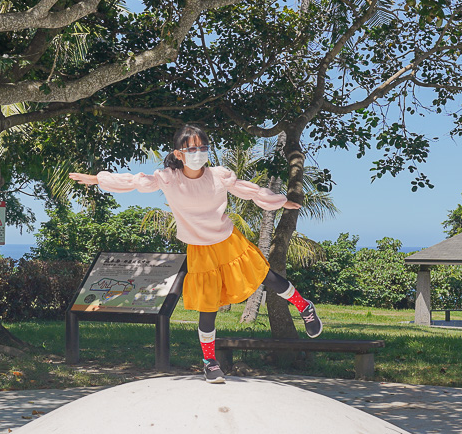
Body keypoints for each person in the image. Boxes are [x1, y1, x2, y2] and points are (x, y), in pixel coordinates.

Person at [69, 124, 323, 384]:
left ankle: (305, 308)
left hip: (227, 240)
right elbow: (137, 181)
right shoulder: (169, 177)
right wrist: (99, 179)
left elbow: (252, 191)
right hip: (200, 249)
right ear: (179, 153)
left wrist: (282, 201)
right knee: (207, 305)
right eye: (192, 148)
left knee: (266, 277)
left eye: (203, 147)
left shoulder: (219, 175)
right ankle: (210, 362)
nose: (199, 152)